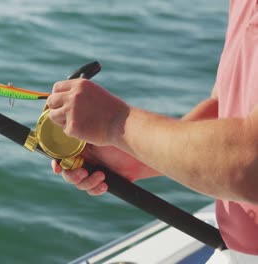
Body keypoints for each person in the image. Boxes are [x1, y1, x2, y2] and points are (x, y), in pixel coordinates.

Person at [47, 0, 258, 262]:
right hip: (236, 246)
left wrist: (116, 124)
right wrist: (136, 155)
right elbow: (224, 106)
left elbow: (251, 164)